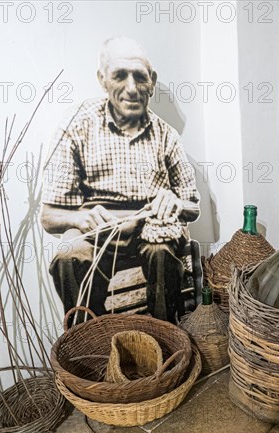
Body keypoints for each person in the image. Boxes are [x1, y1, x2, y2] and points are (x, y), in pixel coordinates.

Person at [41, 37, 200, 324]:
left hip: (150, 228)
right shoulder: (76, 126)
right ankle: (88, 343)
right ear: (102, 79)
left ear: (151, 82)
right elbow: (49, 216)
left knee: (163, 250)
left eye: (139, 76)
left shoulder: (166, 136)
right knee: (67, 256)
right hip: (95, 229)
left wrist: (175, 202)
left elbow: (192, 207)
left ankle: (164, 337)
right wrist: (81, 218)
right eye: (119, 75)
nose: (131, 88)